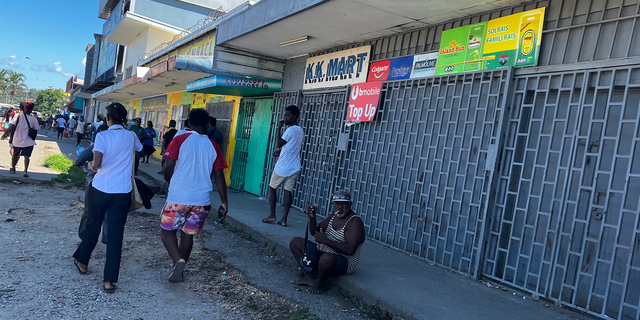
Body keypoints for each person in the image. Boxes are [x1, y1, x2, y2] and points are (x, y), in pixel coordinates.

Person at [72, 103, 143, 293]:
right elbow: (139, 148)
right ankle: (109, 281)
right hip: (122, 192)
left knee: (93, 225)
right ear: (124, 119)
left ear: (107, 119)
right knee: (115, 235)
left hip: (101, 188)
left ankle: (83, 262)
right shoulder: (131, 135)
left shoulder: (102, 136)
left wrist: (90, 166)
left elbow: (97, 164)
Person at [161, 108, 228, 283]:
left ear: (189, 123)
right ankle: (180, 271)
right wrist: (224, 202)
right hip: (202, 201)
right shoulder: (214, 146)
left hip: (178, 196)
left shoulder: (180, 139)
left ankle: (178, 261)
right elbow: (219, 177)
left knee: (167, 231)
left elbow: (168, 165)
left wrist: (169, 180)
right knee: (187, 234)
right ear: (207, 124)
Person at [289, 190, 365, 294]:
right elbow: (314, 232)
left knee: (326, 259)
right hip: (324, 252)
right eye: (337, 204)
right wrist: (312, 218)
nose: (340, 207)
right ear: (333, 205)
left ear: (350, 205)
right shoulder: (333, 216)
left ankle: (319, 282)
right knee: (295, 242)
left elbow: (350, 250)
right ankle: (309, 277)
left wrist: (325, 240)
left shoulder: (354, 222)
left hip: (344, 261)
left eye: (344, 204)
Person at [262, 105, 304, 227]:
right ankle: (284, 219)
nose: (285, 118)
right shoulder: (300, 130)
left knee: (272, 188)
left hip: (283, 166)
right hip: (295, 167)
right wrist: (280, 152)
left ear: (294, 117)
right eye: (285, 115)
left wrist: (278, 127)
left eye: (287, 115)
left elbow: (279, 143)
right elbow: (292, 146)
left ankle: (272, 215)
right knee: (287, 192)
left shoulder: (290, 130)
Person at [1, 102, 39, 177]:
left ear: (24, 108)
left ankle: (13, 169)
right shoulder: (33, 118)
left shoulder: (18, 116)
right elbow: (35, 129)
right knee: (27, 156)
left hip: (17, 139)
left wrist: (5, 134)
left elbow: (12, 126)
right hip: (28, 141)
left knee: (15, 154)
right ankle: (25, 171)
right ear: (31, 109)